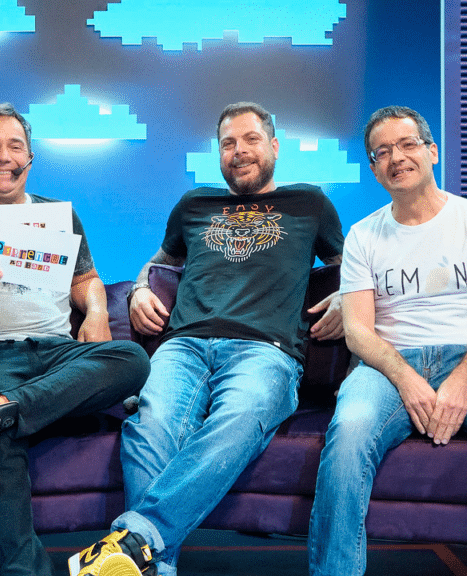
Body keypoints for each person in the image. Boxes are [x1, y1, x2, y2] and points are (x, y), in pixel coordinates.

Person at [70, 102, 345, 576]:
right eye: (228, 143)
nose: (239, 151)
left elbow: (351, 267)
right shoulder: (195, 204)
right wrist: (139, 289)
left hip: (266, 350)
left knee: (241, 418)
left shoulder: (310, 203)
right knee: (148, 426)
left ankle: (136, 539)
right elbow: (157, 263)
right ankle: (151, 563)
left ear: (274, 147)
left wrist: (345, 297)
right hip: (185, 345)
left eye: (251, 140)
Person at [307, 105, 467, 576]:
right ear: (374, 168)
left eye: (407, 145)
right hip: (387, 366)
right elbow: (358, 331)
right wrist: (406, 379)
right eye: (382, 152)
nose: (396, 158)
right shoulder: (363, 236)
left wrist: (462, 380)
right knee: (349, 432)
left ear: (432, 151)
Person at [0, 103, 150, 576]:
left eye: (15, 146)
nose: (4, 156)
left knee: (132, 359)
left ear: (30, 158)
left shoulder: (58, 216)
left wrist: (97, 312)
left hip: (52, 354)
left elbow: (87, 280)